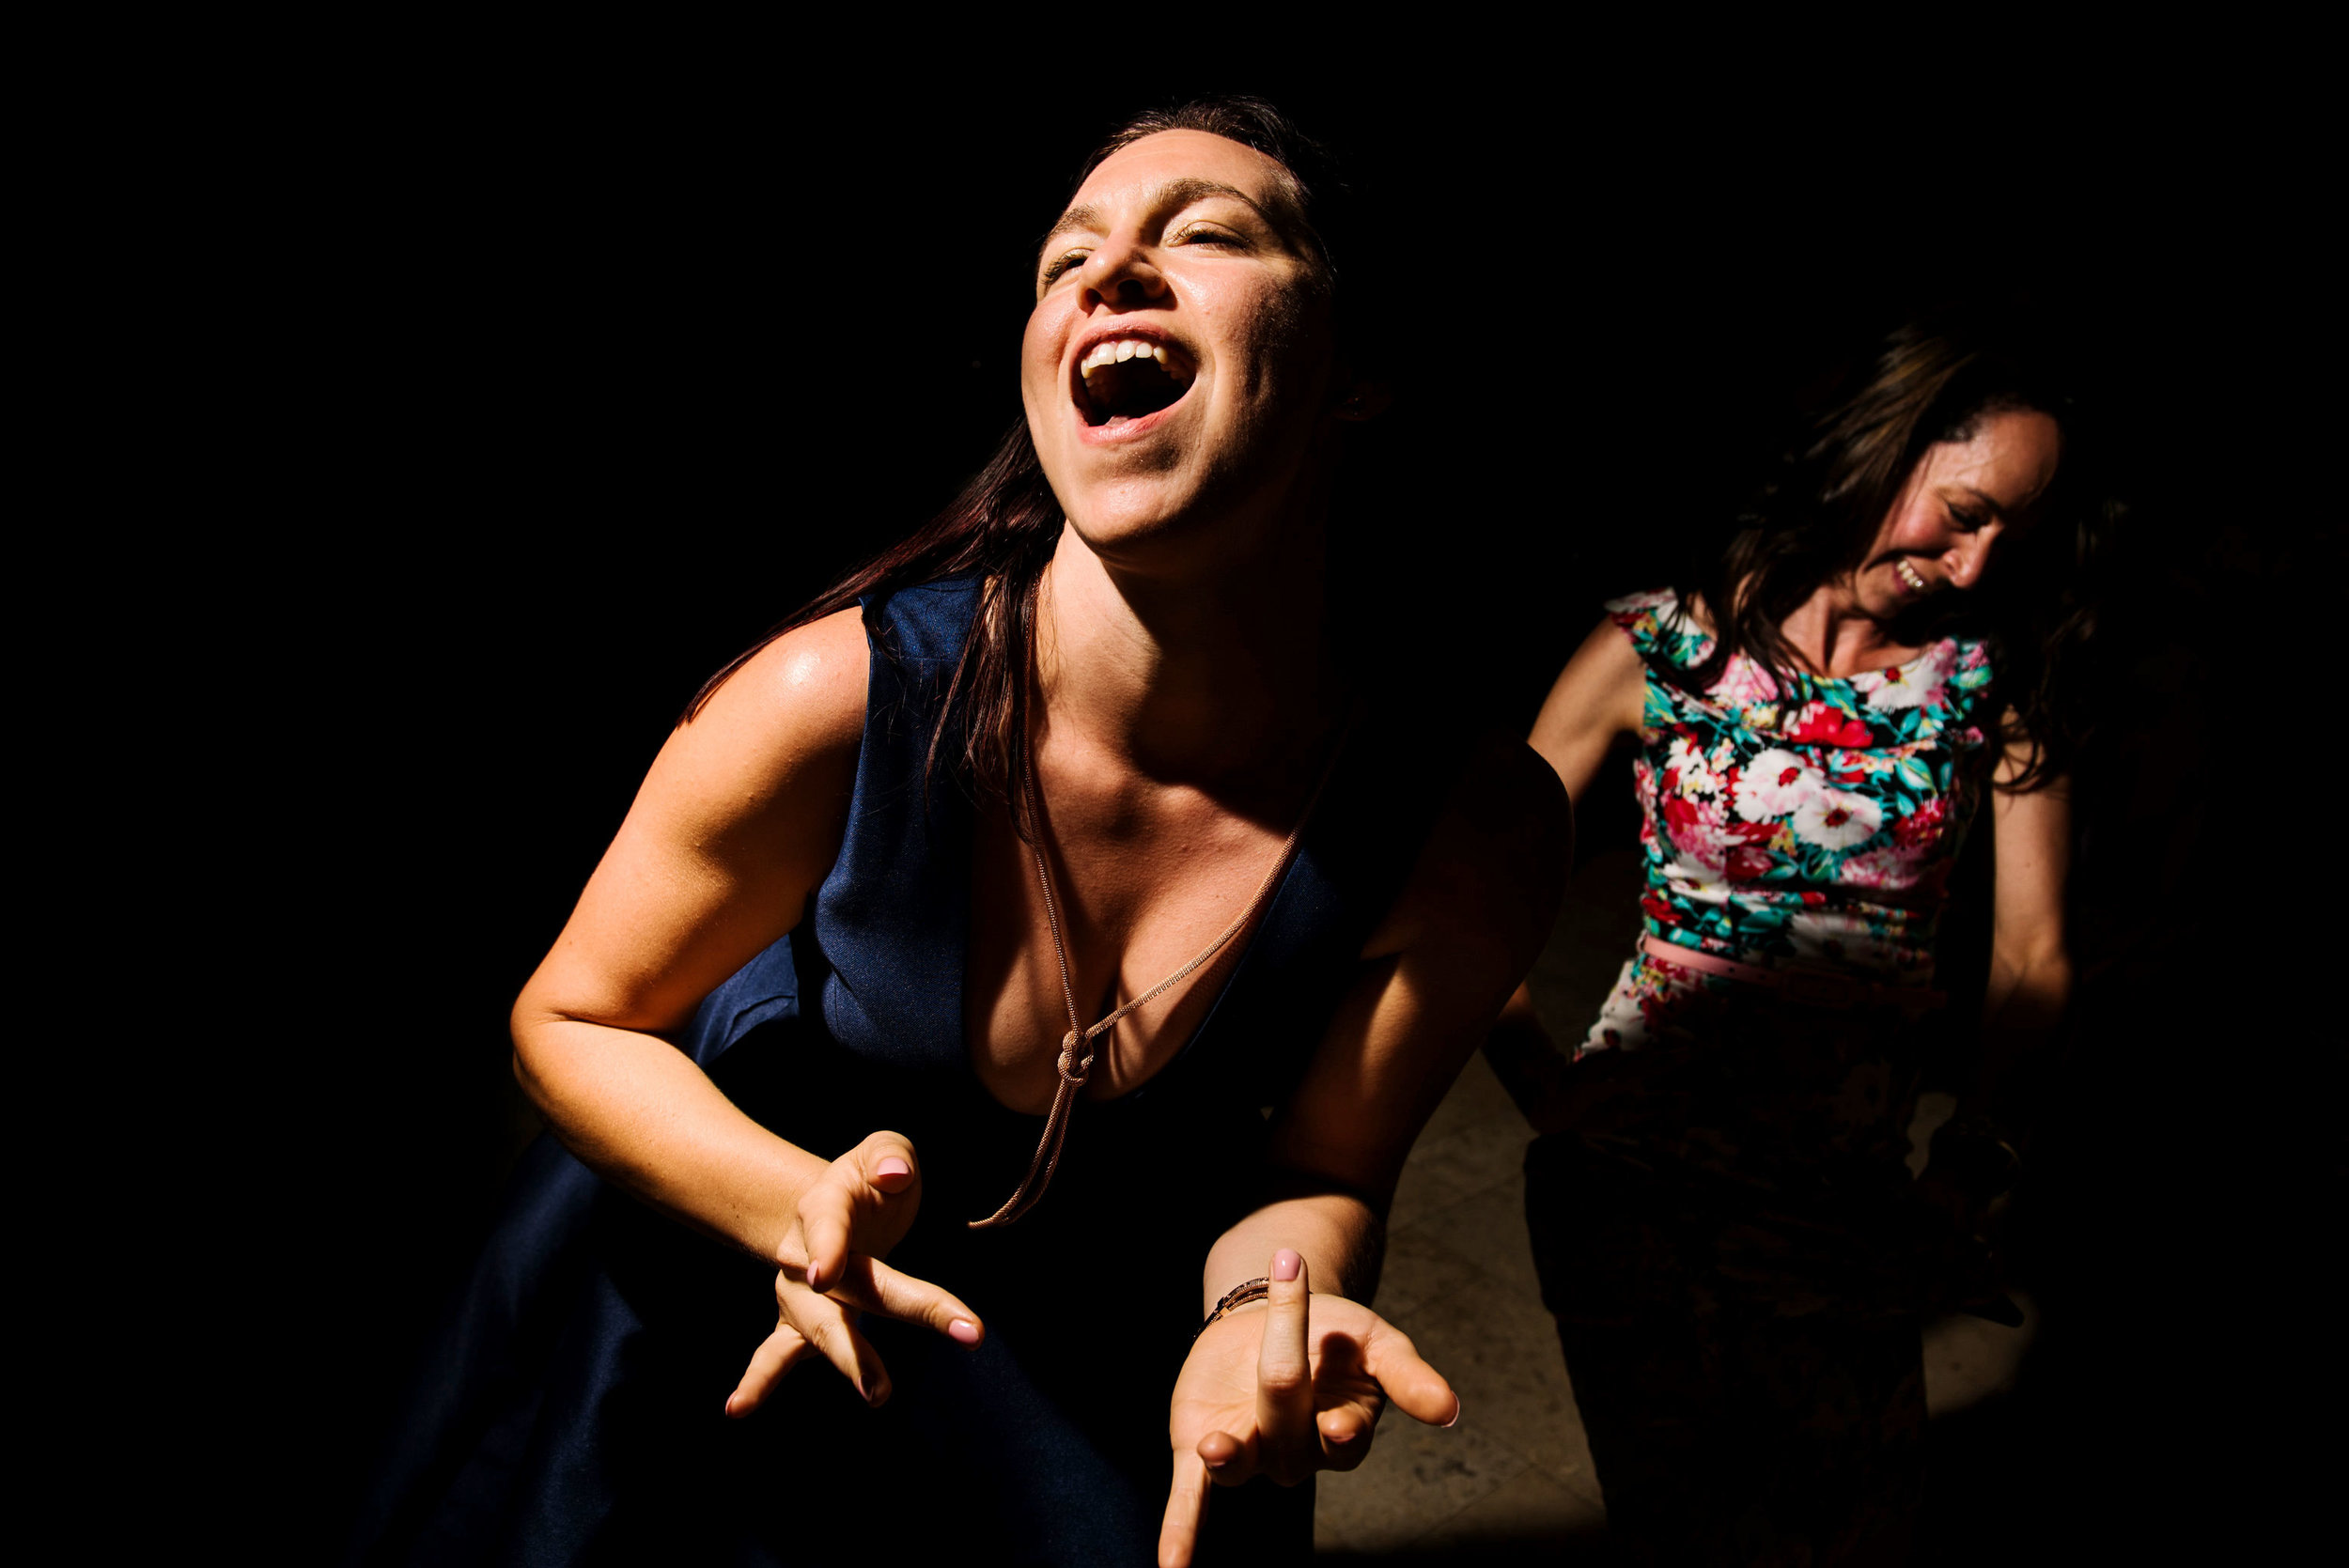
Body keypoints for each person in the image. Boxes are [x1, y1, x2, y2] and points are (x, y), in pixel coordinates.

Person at [351, 99, 1568, 1568]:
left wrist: (1257, 1314)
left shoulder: (1468, 823)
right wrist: (790, 1199)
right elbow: (569, 1015)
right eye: (1066, 261)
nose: (1106, 276)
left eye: (1204, 233)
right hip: (733, 1302)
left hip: (1096, 1362)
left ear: (1360, 368)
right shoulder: (830, 700)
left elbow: (1320, 1167)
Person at [1490, 315, 2100, 1564]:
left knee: (1854, 1527)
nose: (1977, 565)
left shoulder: (1995, 684)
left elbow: (2034, 956)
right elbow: (1472, 872)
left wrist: (1977, 1154)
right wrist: (1533, 1072)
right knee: (1681, 1529)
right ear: (1881, 447)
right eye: (1966, 509)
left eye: (2011, 537)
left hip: (1845, 1196)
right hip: (1636, 1179)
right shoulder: (1662, 647)